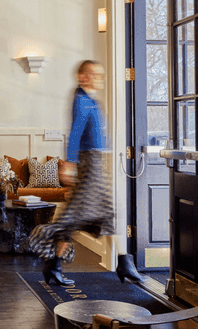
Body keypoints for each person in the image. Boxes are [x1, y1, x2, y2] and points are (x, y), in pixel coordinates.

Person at [29, 60, 143, 286]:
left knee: (90, 216)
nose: (100, 78)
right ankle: (123, 263)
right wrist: (70, 164)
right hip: (90, 165)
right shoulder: (82, 101)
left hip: (95, 163)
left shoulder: (89, 100)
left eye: (101, 74)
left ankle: (55, 265)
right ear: (83, 76)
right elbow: (74, 134)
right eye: (95, 74)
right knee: (92, 216)